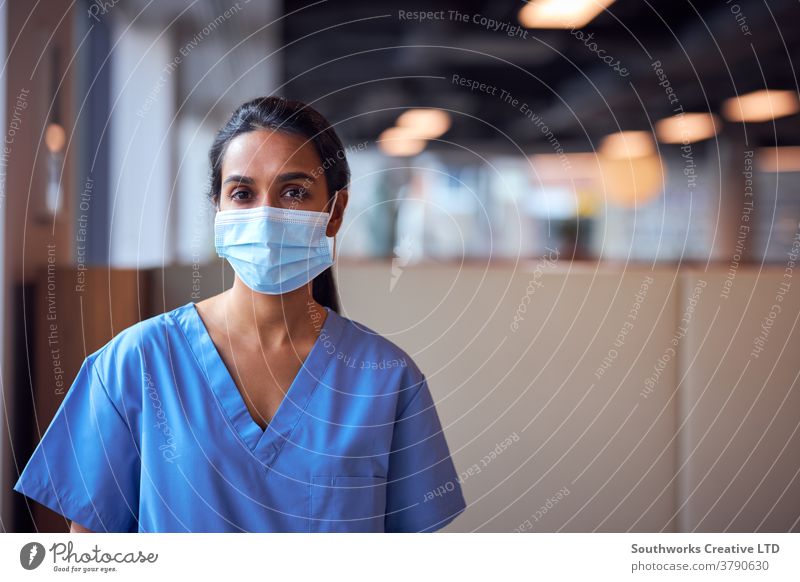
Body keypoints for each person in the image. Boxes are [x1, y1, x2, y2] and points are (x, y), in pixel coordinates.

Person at [13, 96, 466, 533]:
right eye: (243, 193)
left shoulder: (386, 379)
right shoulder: (135, 364)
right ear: (218, 210)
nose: (265, 214)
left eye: (294, 191)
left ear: (335, 212)